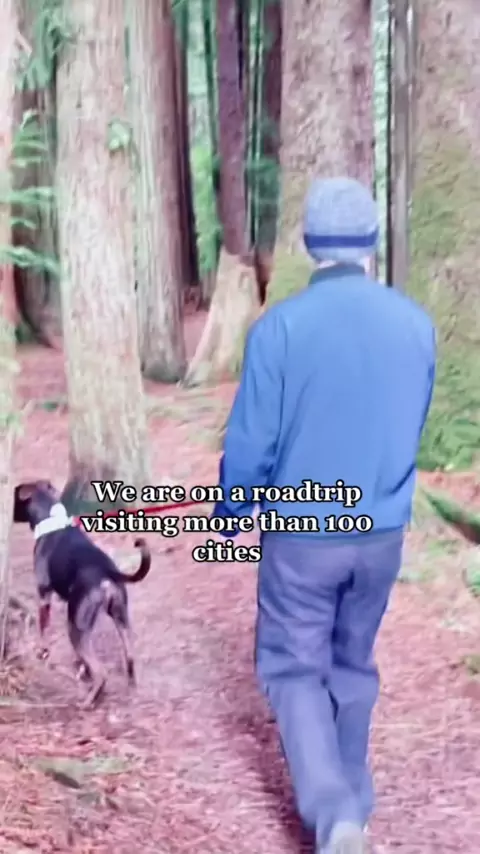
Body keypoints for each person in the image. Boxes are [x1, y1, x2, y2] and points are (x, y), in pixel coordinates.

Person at [211, 177, 436, 854]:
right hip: (381, 532)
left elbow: (252, 440)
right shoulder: (415, 325)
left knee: (292, 665)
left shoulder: (280, 329)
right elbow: (411, 425)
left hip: (304, 535)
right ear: (370, 243)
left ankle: (334, 812)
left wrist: (233, 506)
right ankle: (353, 808)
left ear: (310, 245)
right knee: (352, 663)